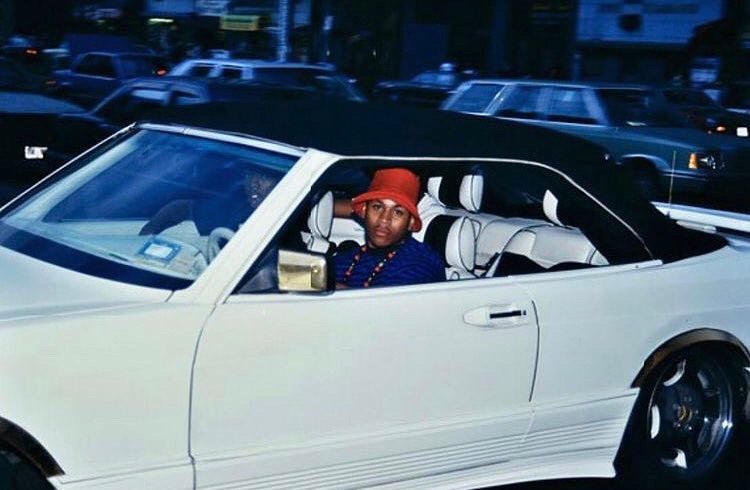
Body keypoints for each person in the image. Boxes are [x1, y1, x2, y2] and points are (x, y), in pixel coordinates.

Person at [334, 167, 444, 289]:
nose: (384, 219)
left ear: (410, 222)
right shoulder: (348, 259)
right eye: (377, 207)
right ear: (364, 211)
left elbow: (390, 300)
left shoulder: (420, 264)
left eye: (397, 212)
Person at [139, 166, 280, 236]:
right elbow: (180, 208)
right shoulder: (231, 204)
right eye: (249, 175)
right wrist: (144, 239)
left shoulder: (285, 216)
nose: (254, 183)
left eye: (264, 177)